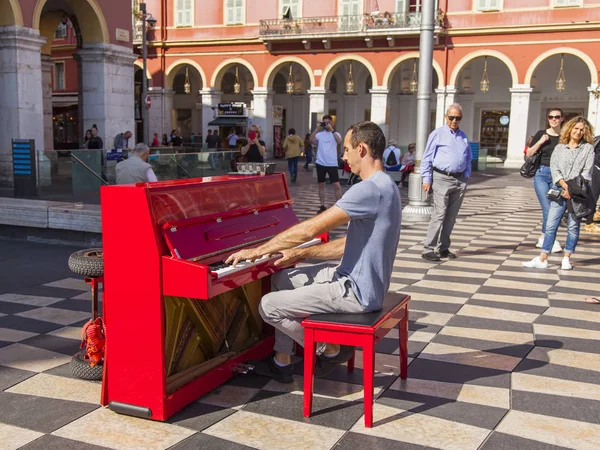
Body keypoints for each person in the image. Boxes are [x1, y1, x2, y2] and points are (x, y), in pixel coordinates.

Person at [225, 121, 401, 383]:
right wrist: (299, 255)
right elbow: (346, 245)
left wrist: (260, 250)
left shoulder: (368, 189)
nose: (343, 156)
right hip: (358, 279)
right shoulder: (388, 186)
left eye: (347, 150)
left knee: (268, 306)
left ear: (362, 149)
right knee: (280, 280)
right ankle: (281, 359)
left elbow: (310, 229)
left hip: (356, 291)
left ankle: (329, 348)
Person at [523, 116, 595, 271]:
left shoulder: (588, 149)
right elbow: (554, 169)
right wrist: (563, 185)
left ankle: (567, 257)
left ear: (585, 132)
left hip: (577, 193)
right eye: (576, 128)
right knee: (551, 225)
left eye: (582, 129)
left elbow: (587, 173)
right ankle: (543, 258)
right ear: (570, 129)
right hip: (559, 190)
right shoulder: (559, 148)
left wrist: (571, 189)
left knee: (573, 226)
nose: (578, 132)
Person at [421, 104, 472, 261]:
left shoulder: (463, 136)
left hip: (459, 180)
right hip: (441, 178)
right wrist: (426, 178)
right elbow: (427, 157)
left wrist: (467, 174)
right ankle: (429, 248)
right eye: (451, 117)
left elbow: (468, 157)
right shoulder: (437, 134)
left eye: (457, 118)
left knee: (451, 217)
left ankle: (444, 247)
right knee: (439, 213)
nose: (454, 121)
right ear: (446, 117)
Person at [526, 108, 564, 253]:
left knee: (555, 208)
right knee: (548, 207)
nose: (554, 119)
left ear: (562, 119)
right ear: (547, 119)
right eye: (551, 117)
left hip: (558, 177)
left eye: (557, 117)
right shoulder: (541, 134)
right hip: (541, 174)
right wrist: (541, 142)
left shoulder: (564, 137)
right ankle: (551, 240)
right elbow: (529, 153)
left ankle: (543, 237)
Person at [311, 115, 342, 214]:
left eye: (328, 122)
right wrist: (317, 128)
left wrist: (332, 130)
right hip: (320, 162)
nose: (326, 124)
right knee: (321, 185)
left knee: (336, 185)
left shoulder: (336, 134)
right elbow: (311, 140)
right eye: (324, 122)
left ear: (331, 123)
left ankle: (339, 207)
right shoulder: (320, 134)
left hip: (332, 163)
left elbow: (339, 141)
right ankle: (322, 206)